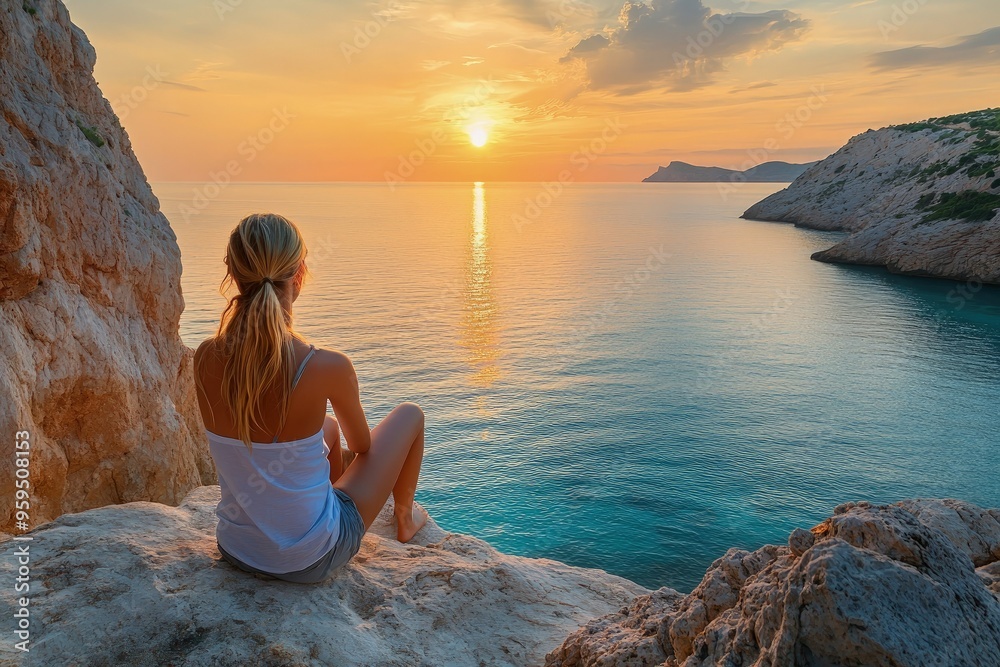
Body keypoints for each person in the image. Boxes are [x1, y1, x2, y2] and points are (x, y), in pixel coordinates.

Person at [193, 212, 427, 584]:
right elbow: (363, 446)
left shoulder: (205, 356)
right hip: (310, 560)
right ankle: (405, 518)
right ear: (299, 274)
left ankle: (318, 506)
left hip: (237, 549)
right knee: (411, 414)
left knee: (326, 428)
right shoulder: (326, 365)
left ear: (232, 272)